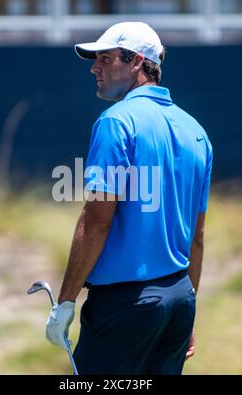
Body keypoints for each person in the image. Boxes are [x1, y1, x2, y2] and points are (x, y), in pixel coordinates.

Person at [45, 22, 213, 375]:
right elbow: (196, 238)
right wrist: (188, 308)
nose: (95, 68)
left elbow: (96, 222)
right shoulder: (196, 131)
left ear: (136, 62)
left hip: (126, 305)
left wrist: (65, 302)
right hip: (178, 297)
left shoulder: (116, 122)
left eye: (105, 59)